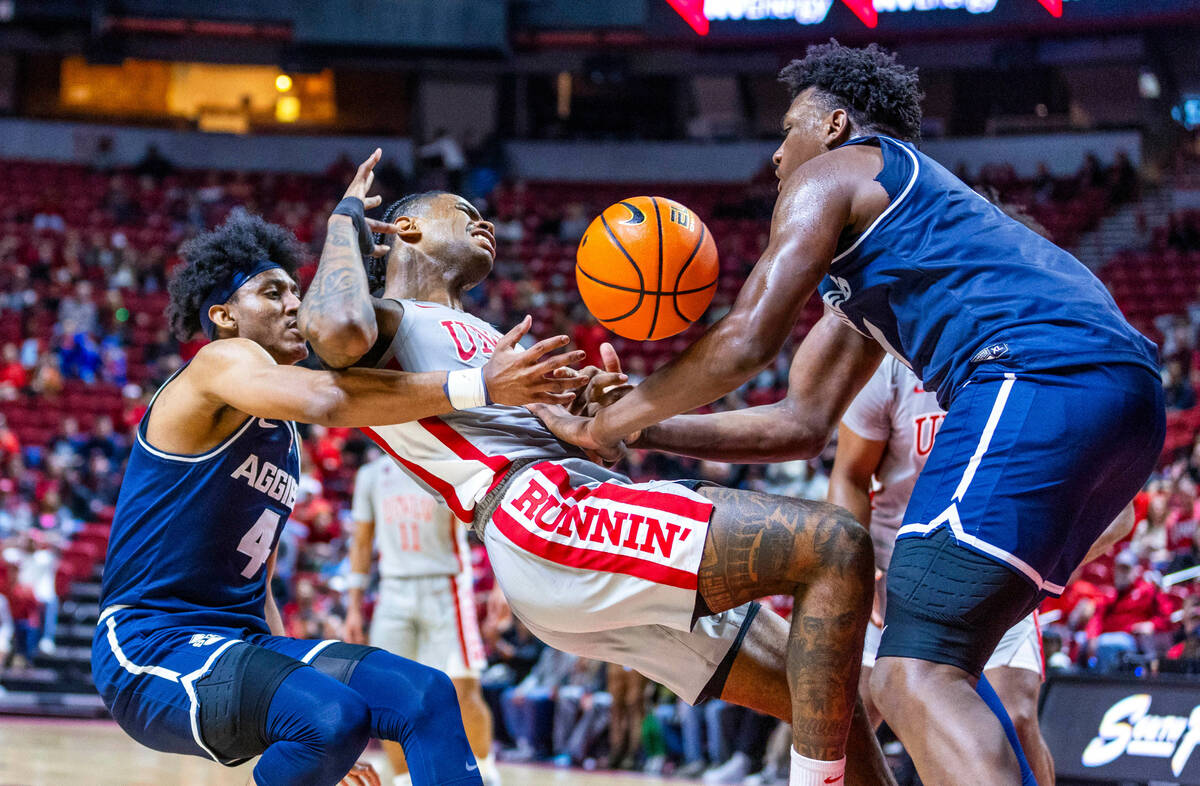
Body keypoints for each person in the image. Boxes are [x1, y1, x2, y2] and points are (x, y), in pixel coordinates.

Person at [533, 41, 1164, 785]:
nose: (775, 158)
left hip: (1038, 374)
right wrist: (643, 427)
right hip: (1121, 398)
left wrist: (603, 424)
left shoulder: (843, 169)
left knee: (913, 676)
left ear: (833, 126)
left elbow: (743, 341)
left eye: (787, 131)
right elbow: (799, 423)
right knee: (940, 672)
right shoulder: (898, 246)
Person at [298, 163, 895, 786]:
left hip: (572, 520)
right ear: (406, 227)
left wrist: (599, 415)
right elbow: (334, 328)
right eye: (461, 208)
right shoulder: (389, 321)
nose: (485, 221)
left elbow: (584, 441)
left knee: (826, 696)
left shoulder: (494, 337)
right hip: (540, 513)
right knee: (833, 543)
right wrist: (344, 221)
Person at [90, 152, 586, 786]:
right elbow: (331, 398)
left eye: (298, 292)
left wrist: (315, 739)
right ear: (223, 316)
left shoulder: (283, 437)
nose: (295, 306)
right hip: (149, 647)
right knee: (331, 714)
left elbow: (258, 587)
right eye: (273, 293)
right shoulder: (219, 364)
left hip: (241, 646)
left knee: (426, 694)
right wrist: (476, 385)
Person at [828, 356, 1056, 783]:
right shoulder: (887, 362)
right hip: (890, 566)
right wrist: (858, 570)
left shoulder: (1024, 351)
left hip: (991, 555)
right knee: (845, 724)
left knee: (1015, 717)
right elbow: (850, 475)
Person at [344, 453, 499, 786]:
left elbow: (488, 522)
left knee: (461, 690)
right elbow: (361, 542)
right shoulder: (372, 474)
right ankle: (403, 779)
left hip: (445, 586)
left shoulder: (442, 461)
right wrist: (354, 606)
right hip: (393, 589)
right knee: (390, 697)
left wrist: (501, 582)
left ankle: (486, 772)